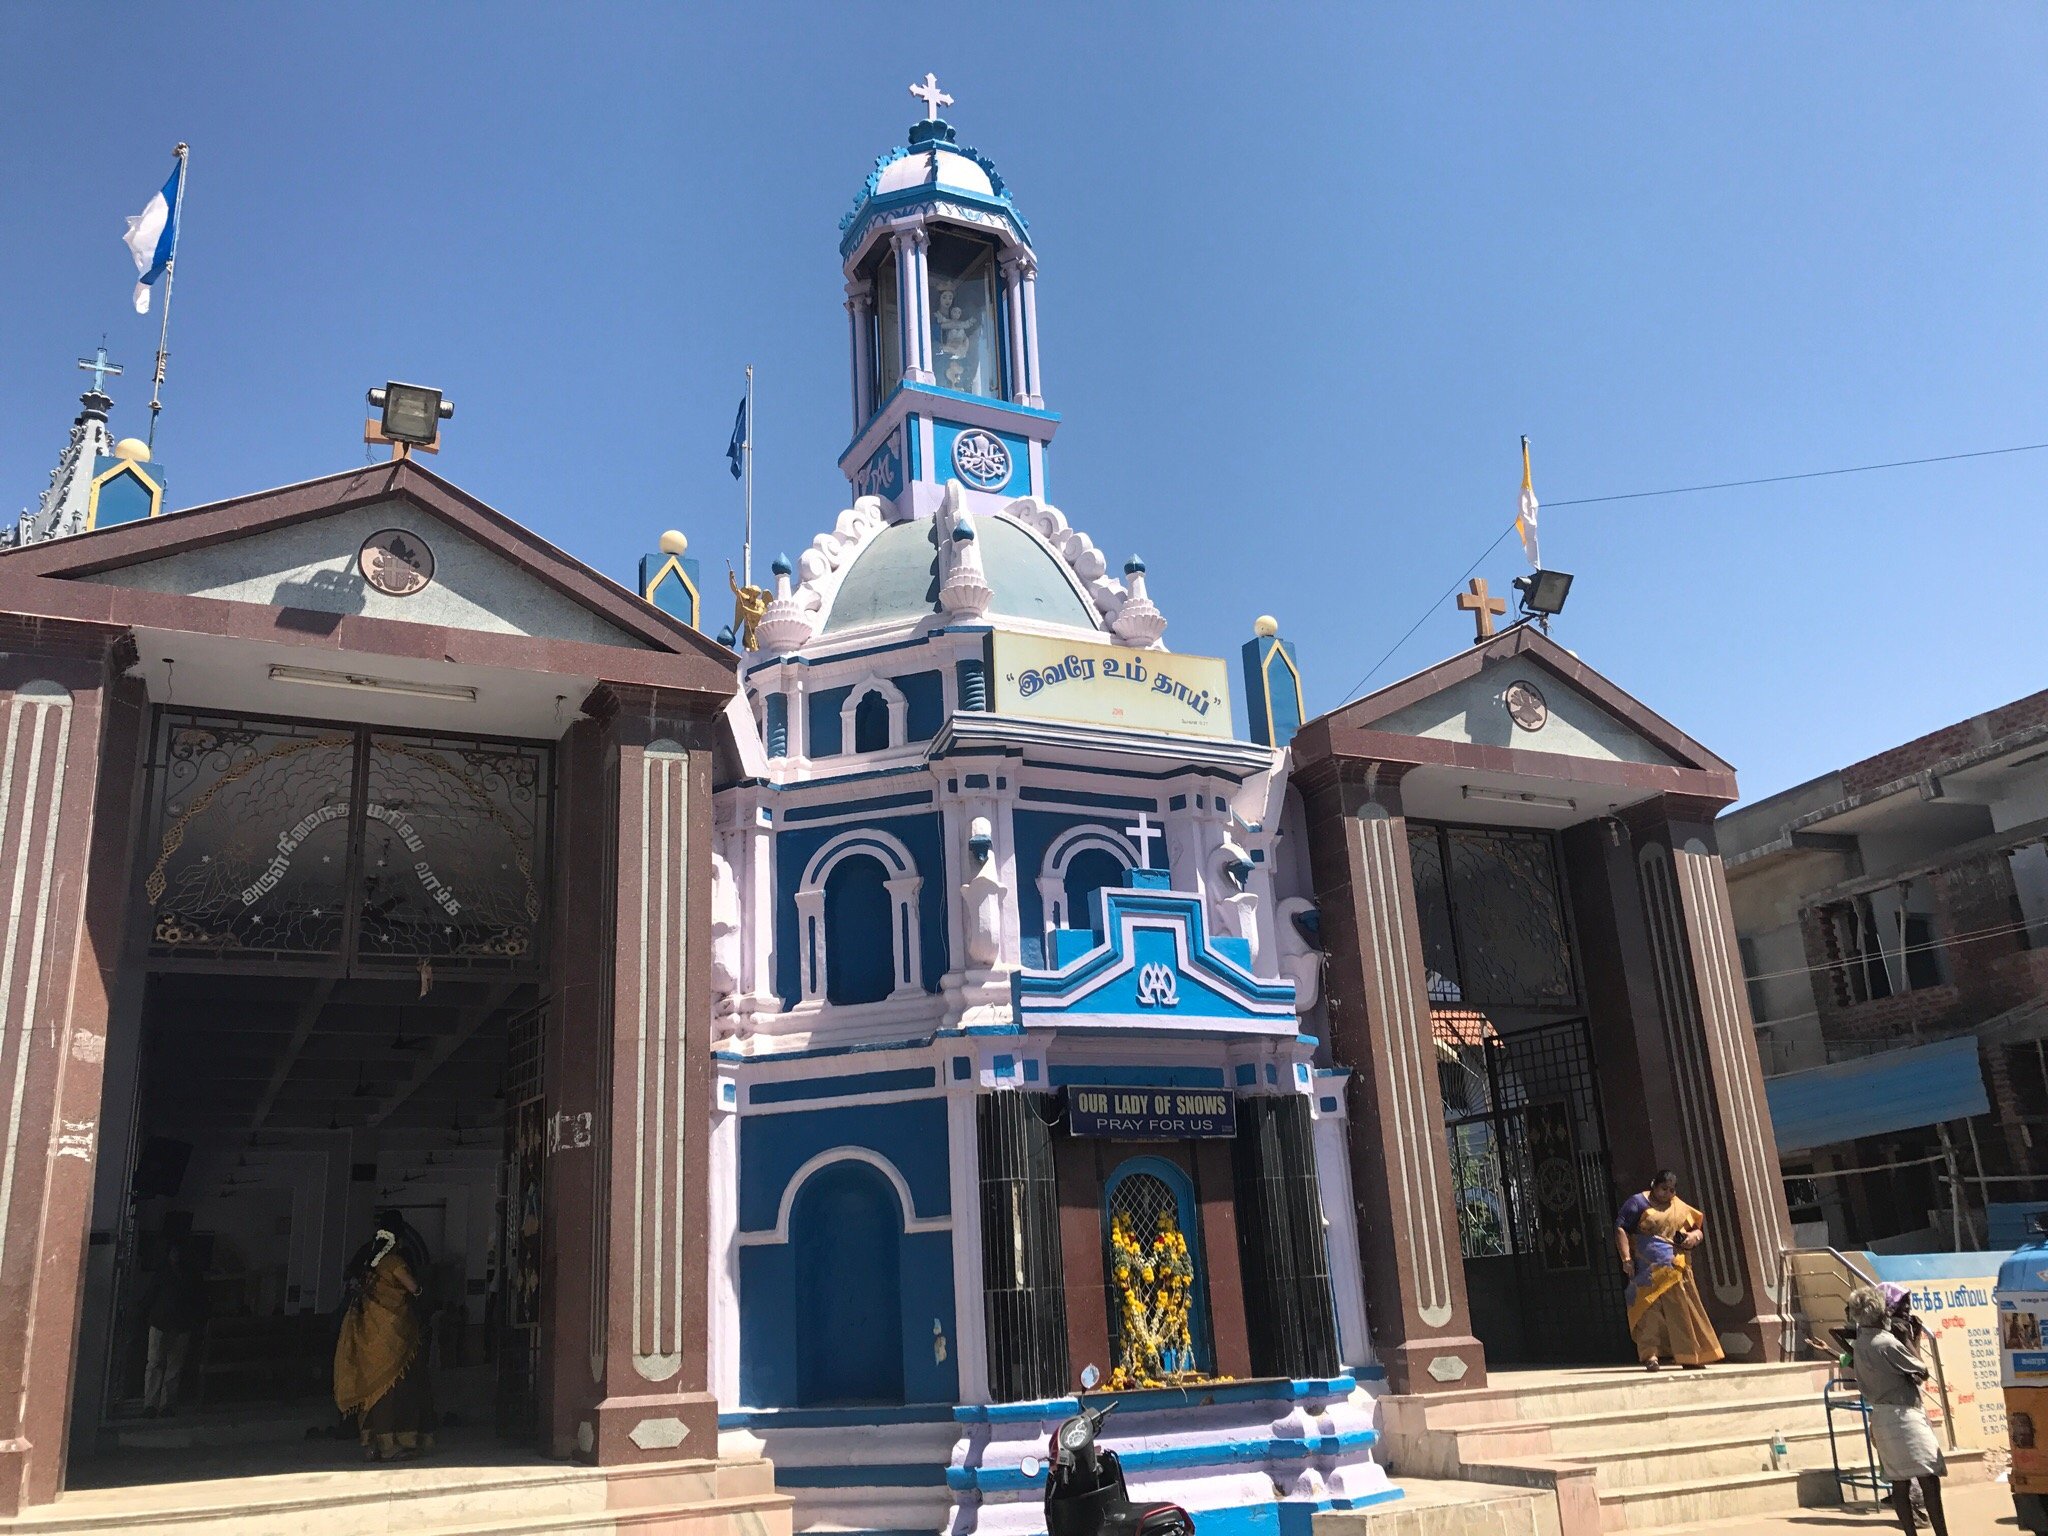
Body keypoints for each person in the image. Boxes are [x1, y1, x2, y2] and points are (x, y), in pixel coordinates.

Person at [1847, 1284, 1949, 1536]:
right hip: (1905, 1417)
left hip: (1881, 1416)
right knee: (1929, 1478)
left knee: (1899, 1482)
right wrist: (1911, 1338)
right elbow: (1921, 1370)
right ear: (1883, 1313)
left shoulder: (1860, 1344)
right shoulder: (1886, 1342)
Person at [334, 1216, 435, 1460]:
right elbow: (413, 1288)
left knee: (372, 1388)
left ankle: (370, 1444)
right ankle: (392, 1444)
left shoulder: (368, 1263)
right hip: (393, 1336)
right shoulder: (393, 1262)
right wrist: (423, 1292)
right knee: (394, 1387)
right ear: (396, 1241)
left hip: (368, 1331)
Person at [1614, 1169, 1725, 1371]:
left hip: (1675, 1266)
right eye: (1663, 1189)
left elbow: (1696, 1228)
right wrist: (1626, 1259)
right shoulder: (1637, 1203)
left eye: (1671, 1190)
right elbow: (1621, 1228)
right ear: (1653, 1184)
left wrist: (1695, 1238)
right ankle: (1651, 1356)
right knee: (1648, 1311)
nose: (1667, 1194)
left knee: (1681, 1311)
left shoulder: (1678, 1207)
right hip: (1646, 1268)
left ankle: (1689, 1356)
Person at [139, 1240, 208, 1417]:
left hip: (168, 1323)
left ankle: (157, 1404)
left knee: (160, 1364)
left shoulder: (165, 1273)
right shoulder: (188, 1275)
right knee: (166, 1365)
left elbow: (150, 1296)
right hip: (172, 1323)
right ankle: (158, 1404)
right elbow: (198, 1299)